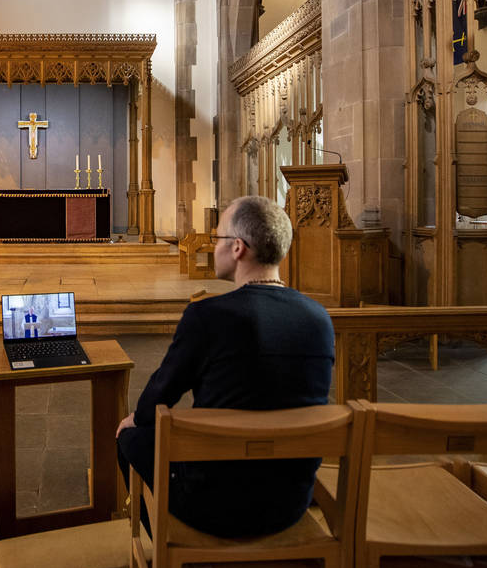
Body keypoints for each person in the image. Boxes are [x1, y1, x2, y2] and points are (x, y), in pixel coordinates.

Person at [115, 195, 334, 538]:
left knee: (128, 437)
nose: (212, 246)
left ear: (237, 248)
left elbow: (161, 395)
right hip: (288, 502)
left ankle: (174, 549)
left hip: (213, 504)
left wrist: (136, 420)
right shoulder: (319, 319)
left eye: (217, 238)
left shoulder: (208, 316)